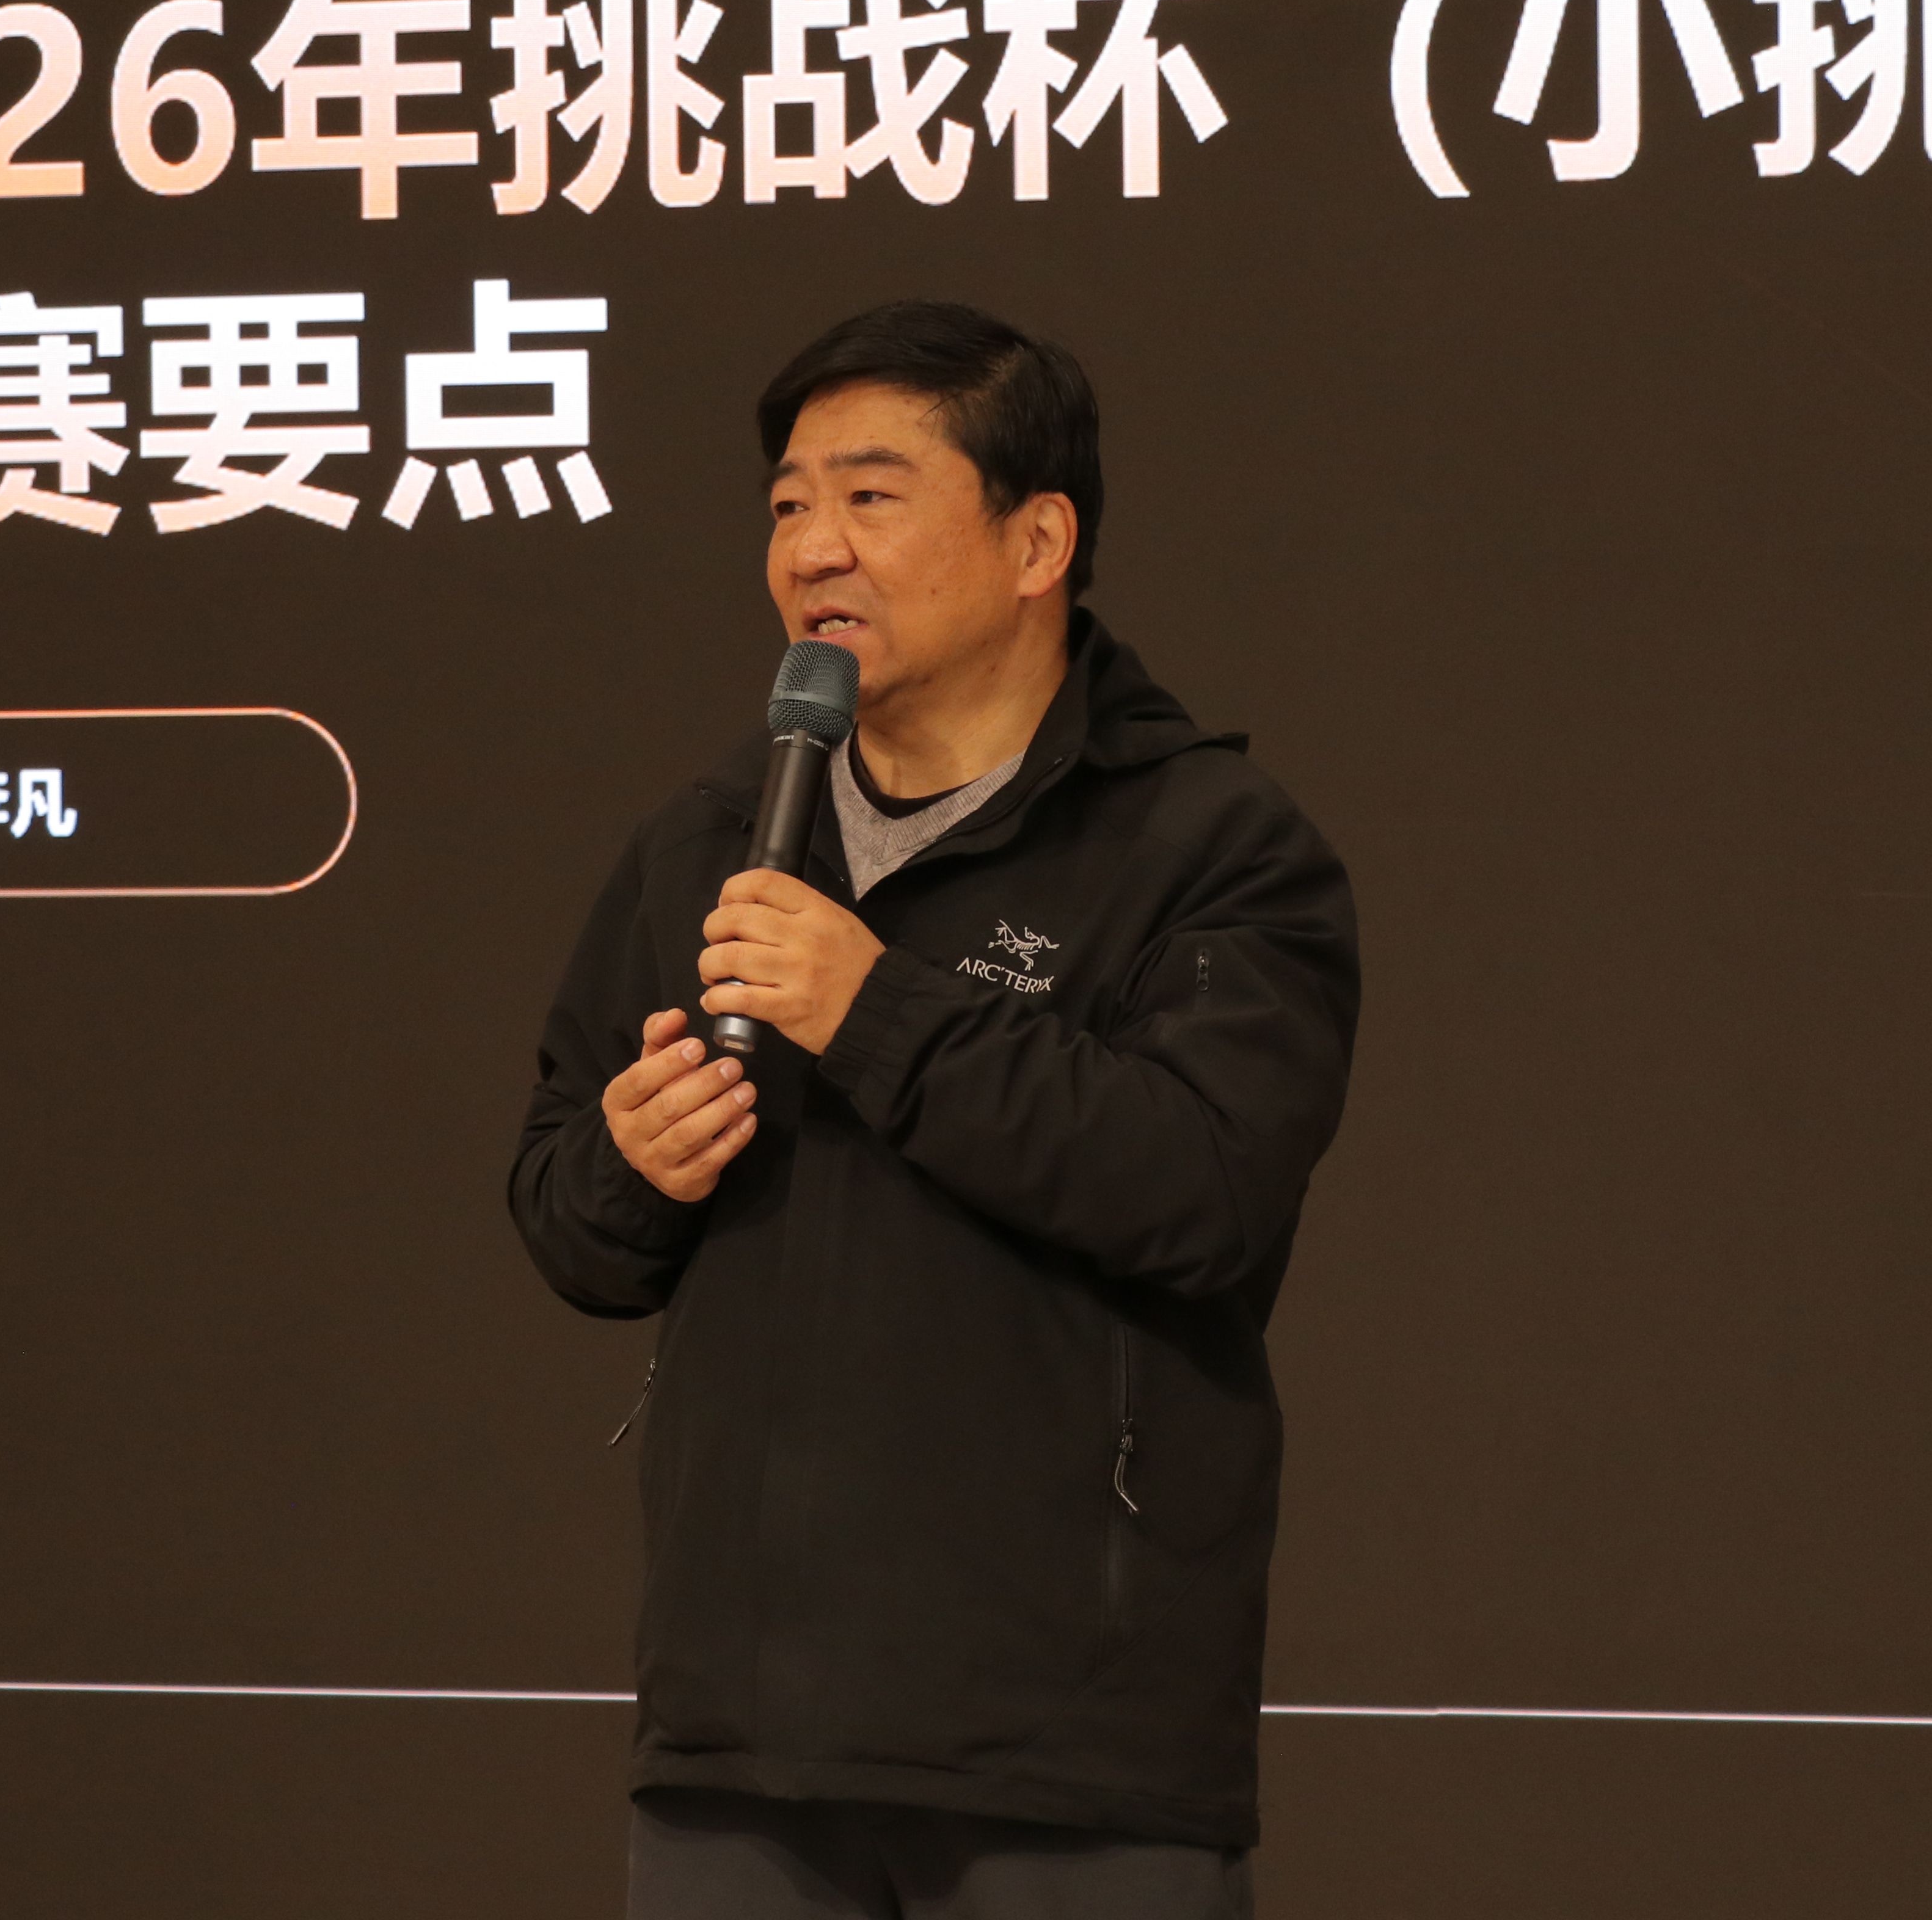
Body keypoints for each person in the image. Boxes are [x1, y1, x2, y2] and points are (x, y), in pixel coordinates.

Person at [506, 301, 1360, 1919]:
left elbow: (1204, 1186)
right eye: (789, 504)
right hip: (739, 1751)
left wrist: (873, 1008)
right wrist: (629, 1165)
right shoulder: (709, 841)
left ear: (1039, 541)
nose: (814, 548)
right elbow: (565, 1211)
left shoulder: (1210, 845)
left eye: (872, 497)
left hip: (1067, 1759)